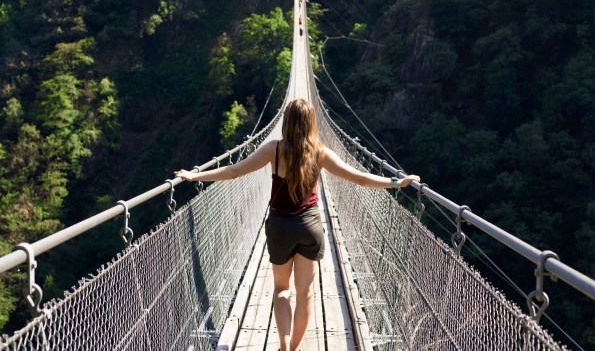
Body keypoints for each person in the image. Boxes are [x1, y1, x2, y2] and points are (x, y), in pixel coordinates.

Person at [174, 98, 419, 351]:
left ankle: (282, 346)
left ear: (287, 122)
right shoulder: (320, 153)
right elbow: (360, 179)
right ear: (311, 123)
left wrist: (195, 175)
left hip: (280, 228)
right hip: (310, 227)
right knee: (305, 294)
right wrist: (395, 182)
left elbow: (235, 171)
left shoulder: (273, 149)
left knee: (282, 290)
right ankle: (293, 349)